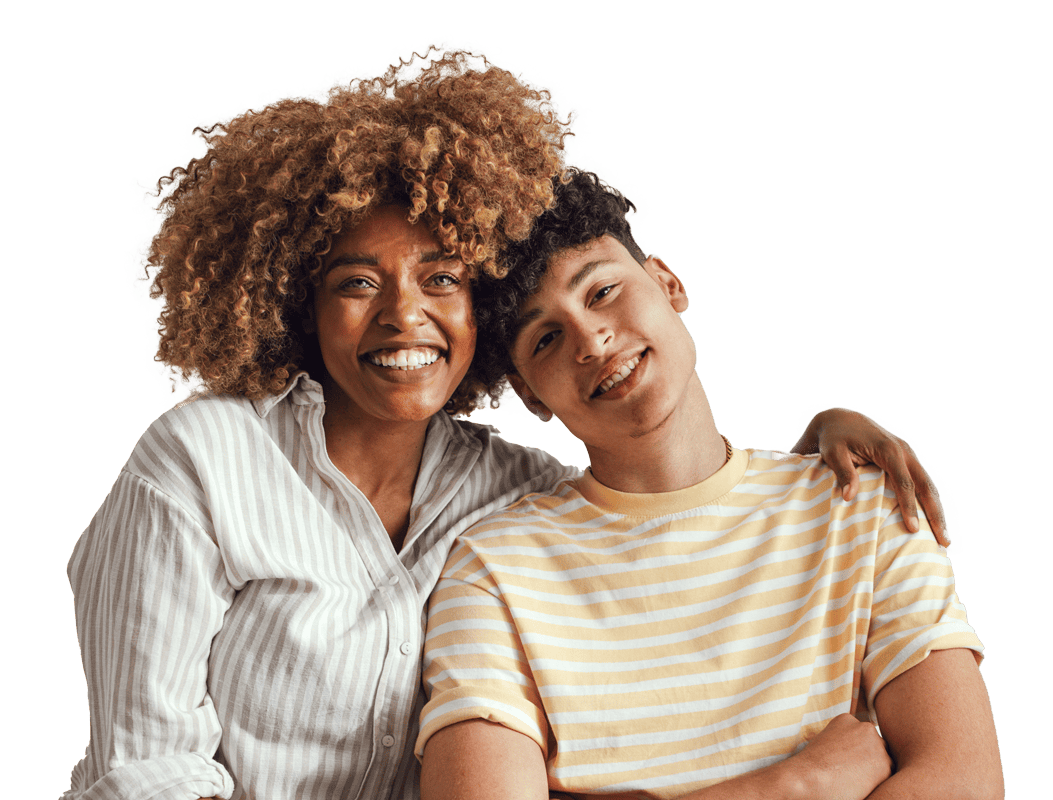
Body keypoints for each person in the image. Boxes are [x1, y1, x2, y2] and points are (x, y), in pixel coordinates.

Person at [65, 42, 950, 800]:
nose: (403, 317)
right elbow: (147, 769)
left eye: (442, 278)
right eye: (355, 282)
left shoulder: (507, 493)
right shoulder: (202, 462)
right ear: (298, 305)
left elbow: (661, 490)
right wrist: (792, 786)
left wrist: (819, 435)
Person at [417, 169, 1003, 800]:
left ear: (668, 283)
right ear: (532, 394)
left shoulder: (859, 505)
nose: (591, 339)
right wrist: (799, 784)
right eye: (547, 338)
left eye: (603, 291)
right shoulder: (494, 572)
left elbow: (963, 781)